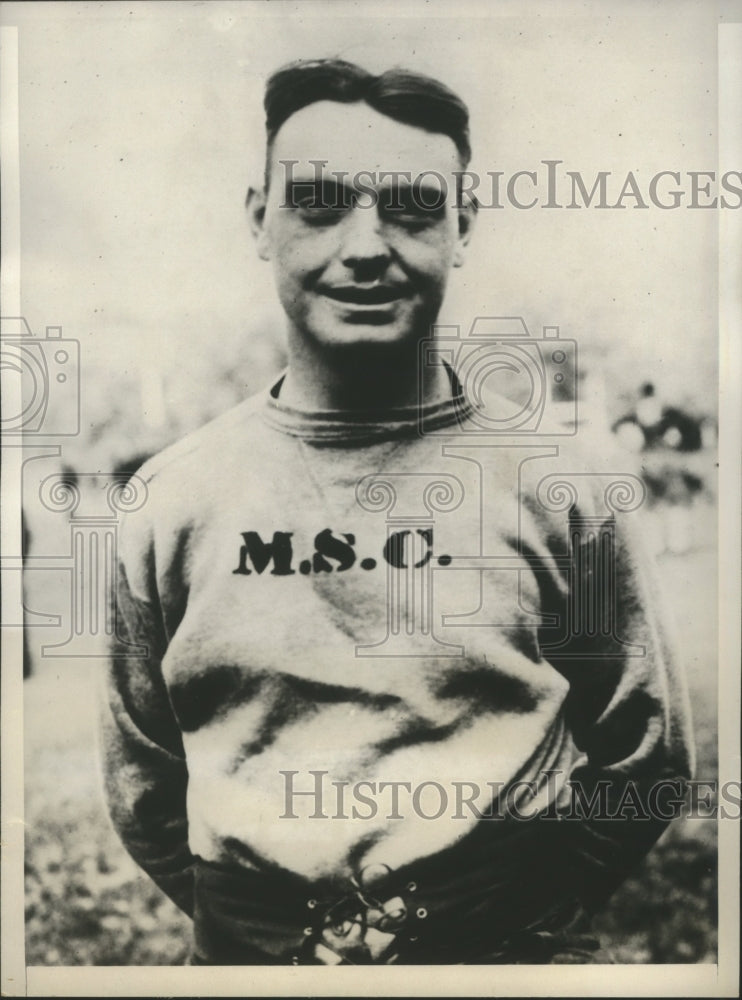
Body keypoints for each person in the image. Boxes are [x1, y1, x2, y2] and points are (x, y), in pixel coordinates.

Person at [100, 58, 694, 966]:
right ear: (259, 220)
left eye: (414, 207)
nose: (367, 244)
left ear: (463, 226)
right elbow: (144, 783)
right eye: (320, 203)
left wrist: (512, 922)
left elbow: (645, 757)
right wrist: (278, 941)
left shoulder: (560, 484)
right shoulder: (172, 498)